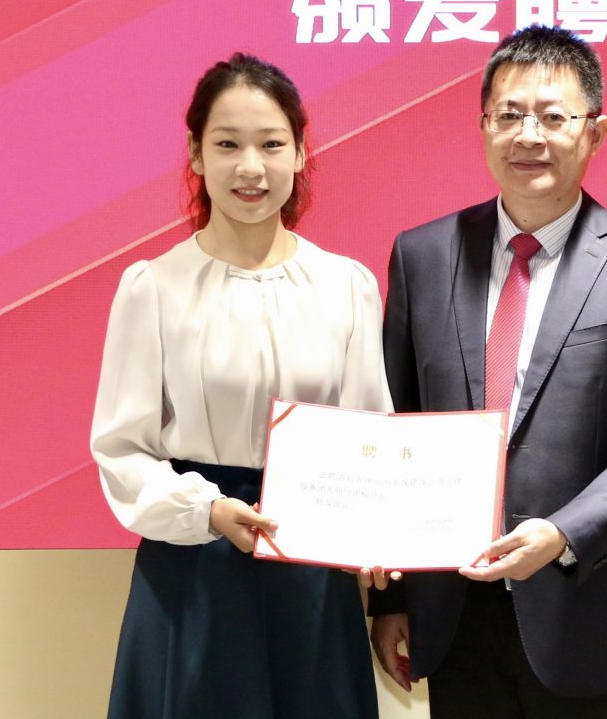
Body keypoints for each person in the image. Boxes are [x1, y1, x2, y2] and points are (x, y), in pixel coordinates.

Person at [369, 25, 607, 717]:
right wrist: (393, 598)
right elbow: (397, 425)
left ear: (595, 132)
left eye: (553, 117)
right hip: (456, 616)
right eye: (510, 115)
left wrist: (563, 534)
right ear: (484, 126)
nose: (529, 136)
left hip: (593, 613)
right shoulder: (422, 256)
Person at [92, 52, 388, 719]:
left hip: (311, 573)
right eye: (227, 145)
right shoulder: (153, 287)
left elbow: (367, 437)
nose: (250, 167)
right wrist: (206, 511)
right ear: (196, 155)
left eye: (271, 144)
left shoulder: (346, 285)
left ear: (301, 153)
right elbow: (122, 448)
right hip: (196, 568)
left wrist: (376, 532)